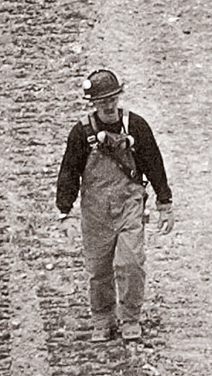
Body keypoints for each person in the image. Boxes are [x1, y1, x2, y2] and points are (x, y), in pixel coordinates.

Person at [55, 67, 173, 342]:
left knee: (131, 263)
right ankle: (103, 319)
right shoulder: (81, 133)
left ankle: (130, 317)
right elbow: (69, 172)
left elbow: (154, 165)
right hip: (95, 212)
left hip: (128, 206)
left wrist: (164, 202)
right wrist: (65, 212)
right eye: (101, 101)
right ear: (92, 103)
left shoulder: (136, 127)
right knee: (99, 270)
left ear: (119, 97)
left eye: (112, 98)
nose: (107, 105)